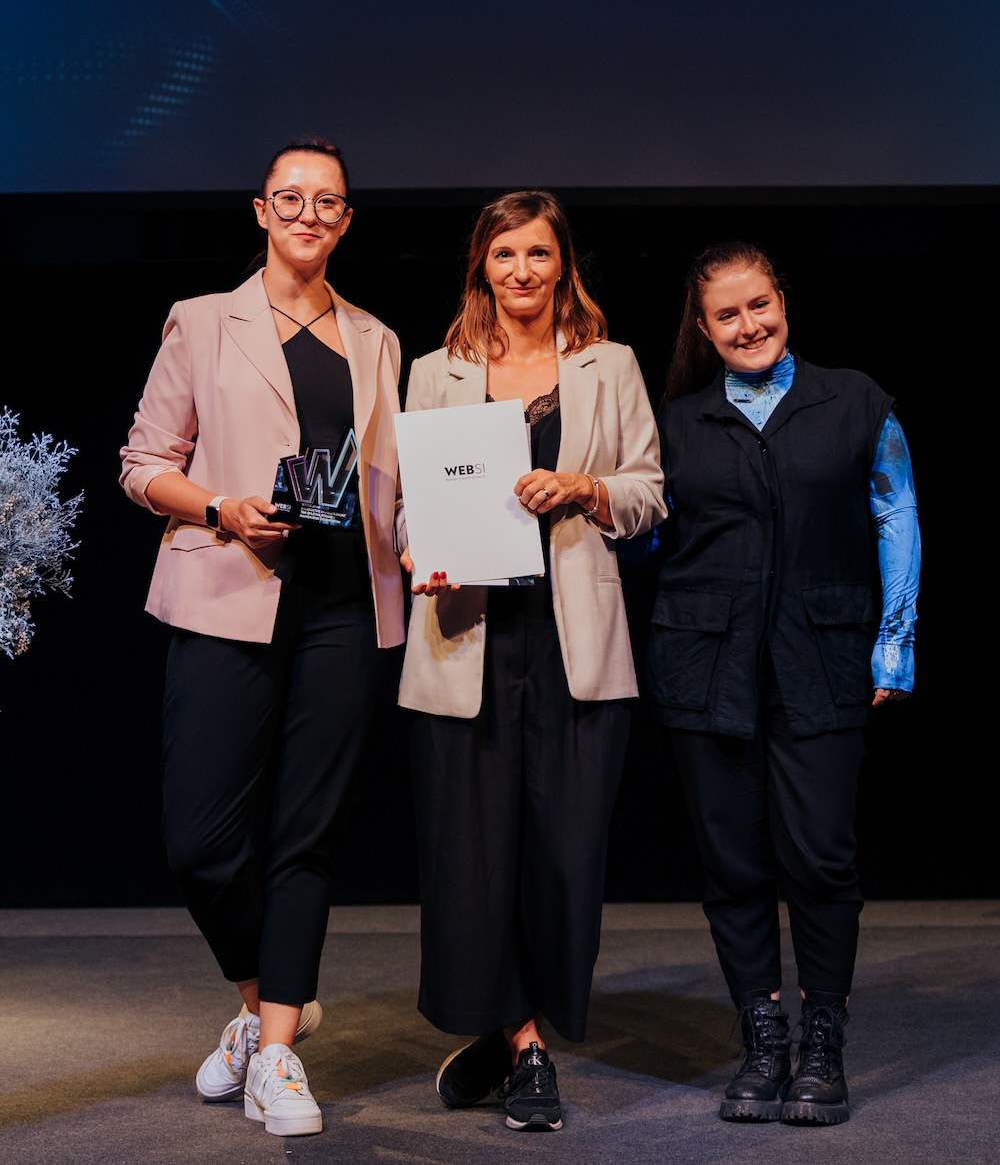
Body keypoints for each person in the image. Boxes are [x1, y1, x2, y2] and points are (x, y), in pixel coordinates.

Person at [119, 138, 405, 1137]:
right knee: (200, 844)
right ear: (260, 210)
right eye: (291, 198)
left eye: (327, 202)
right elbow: (143, 463)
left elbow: (388, 483)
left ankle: (277, 1051)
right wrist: (221, 508)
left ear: (346, 221)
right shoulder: (203, 321)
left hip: (343, 607)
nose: (308, 214)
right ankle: (260, 1000)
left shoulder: (376, 339)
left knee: (306, 837)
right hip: (226, 595)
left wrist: (431, 546)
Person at [397, 189, 666, 1132]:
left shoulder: (610, 364)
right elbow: (407, 508)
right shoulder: (435, 372)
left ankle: (510, 1030)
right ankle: (525, 1047)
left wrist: (585, 486)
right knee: (473, 858)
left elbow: (649, 491)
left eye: (538, 253)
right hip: (465, 639)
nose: (521, 270)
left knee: (564, 853)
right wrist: (418, 551)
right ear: (482, 264)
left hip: (573, 643)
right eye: (504, 253)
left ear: (563, 264)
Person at [645, 240, 920, 1127]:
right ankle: (763, 1043)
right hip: (706, 663)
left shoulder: (854, 400)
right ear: (703, 328)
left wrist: (896, 643)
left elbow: (896, 510)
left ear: (783, 302)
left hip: (821, 655)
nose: (747, 324)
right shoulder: (677, 422)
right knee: (731, 862)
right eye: (726, 314)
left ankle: (822, 1042)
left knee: (822, 858)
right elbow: (646, 534)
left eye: (758, 305)